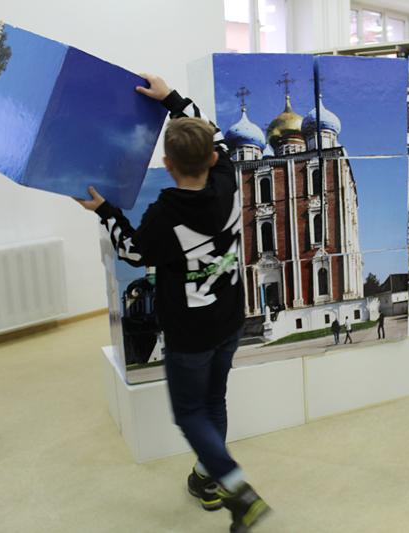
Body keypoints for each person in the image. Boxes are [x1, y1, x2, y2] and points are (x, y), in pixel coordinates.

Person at [76, 74, 269, 533]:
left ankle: (236, 488)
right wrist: (172, 99)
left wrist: (105, 210)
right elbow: (212, 133)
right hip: (229, 320)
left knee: (189, 412)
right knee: (214, 399)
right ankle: (208, 478)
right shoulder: (228, 179)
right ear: (213, 158)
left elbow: (132, 252)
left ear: (166, 164)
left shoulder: (166, 215)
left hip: (190, 334)